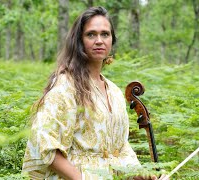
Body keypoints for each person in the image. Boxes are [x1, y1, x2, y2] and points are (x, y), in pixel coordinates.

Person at [22, 6, 167, 180]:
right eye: (91, 34)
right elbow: (46, 143)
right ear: (79, 41)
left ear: (112, 40)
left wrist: (141, 175)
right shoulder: (66, 85)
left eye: (105, 34)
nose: (99, 40)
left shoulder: (113, 91)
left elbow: (120, 150)